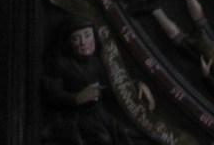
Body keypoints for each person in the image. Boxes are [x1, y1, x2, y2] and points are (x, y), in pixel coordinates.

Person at [42, 14, 154, 144]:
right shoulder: (61, 64)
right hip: (76, 118)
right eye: (76, 38)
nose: (83, 42)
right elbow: (52, 95)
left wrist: (136, 85)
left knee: (124, 134)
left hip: (99, 114)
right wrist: (77, 98)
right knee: (102, 139)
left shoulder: (96, 62)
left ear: (94, 37)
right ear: (69, 42)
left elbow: (109, 88)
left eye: (87, 36)